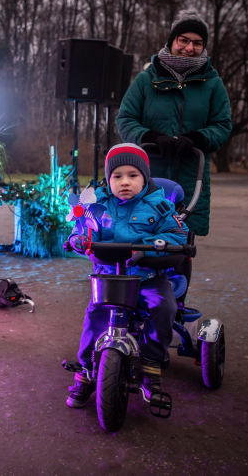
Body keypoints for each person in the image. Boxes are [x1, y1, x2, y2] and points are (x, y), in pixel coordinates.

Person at [63, 144, 188, 408]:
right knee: (96, 316)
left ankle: (152, 363)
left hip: (147, 276)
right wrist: (79, 240)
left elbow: (178, 234)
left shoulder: (159, 206)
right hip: (109, 277)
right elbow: (83, 228)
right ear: (108, 180)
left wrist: (150, 249)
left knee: (163, 307)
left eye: (133, 175)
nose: (125, 182)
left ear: (145, 177)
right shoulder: (98, 204)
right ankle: (86, 370)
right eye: (117, 176)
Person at [116, 9, 231, 236]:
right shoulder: (146, 80)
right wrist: (151, 137)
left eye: (197, 43)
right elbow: (125, 120)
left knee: (181, 243)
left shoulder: (213, 83)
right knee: (141, 236)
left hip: (190, 175)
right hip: (149, 172)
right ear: (172, 41)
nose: (190, 48)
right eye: (184, 40)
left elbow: (222, 125)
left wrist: (197, 138)